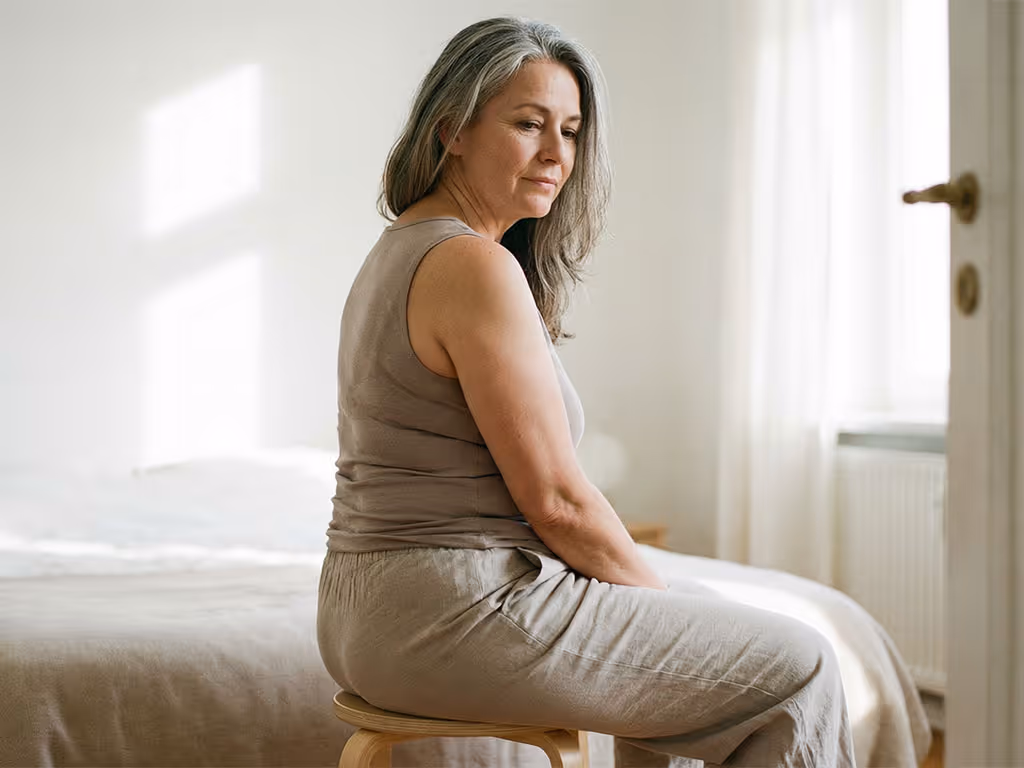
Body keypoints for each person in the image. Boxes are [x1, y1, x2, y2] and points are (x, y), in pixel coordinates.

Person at [316, 16, 855, 768]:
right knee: (799, 666)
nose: (556, 154)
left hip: (367, 613)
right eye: (528, 123)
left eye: (570, 131)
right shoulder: (470, 264)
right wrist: (654, 600)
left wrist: (656, 605)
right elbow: (559, 503)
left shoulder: (403, 245)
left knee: (697, 631)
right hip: (450, 610)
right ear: (452, 132)